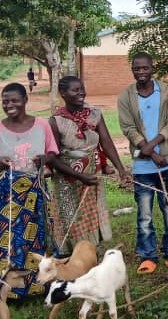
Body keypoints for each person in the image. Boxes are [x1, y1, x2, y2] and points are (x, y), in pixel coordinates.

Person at [0, 83, 88, 300]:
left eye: (14, 100)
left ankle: (35, 287)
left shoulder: (41, 126)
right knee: (6, 239)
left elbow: (52, 154)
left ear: (25, 101)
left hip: (34, 191)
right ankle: (6, 290)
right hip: (8, 194)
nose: (9, 105)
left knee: (36, 239)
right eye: (5, 101)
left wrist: (44, 159)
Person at [118, 53, 168, 274]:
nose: (141, 72)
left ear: (152, 68)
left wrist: (154, 146)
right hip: (142, 167)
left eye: (145, 68)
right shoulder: (126, 96)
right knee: (144, 213)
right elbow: (127, 127)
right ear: (132, 70)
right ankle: (148, 256)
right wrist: (145, 148)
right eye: (136, 69)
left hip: (167, 163)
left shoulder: (166, 91)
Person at [49, 76, 130, 255]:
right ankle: (72, 258)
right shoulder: (56, 121)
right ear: (63, 94)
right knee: (71, 216)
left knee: (92, 214)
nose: (81, 93)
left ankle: (90, 254)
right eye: (75, 90)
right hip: (68, 177)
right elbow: (52, 158)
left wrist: (121, 169)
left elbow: (106, 142)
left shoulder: (94, 114)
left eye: (82, 89)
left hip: (93, 173)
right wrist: (79, 176)